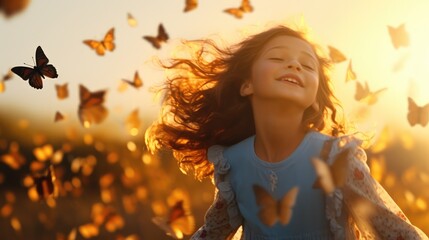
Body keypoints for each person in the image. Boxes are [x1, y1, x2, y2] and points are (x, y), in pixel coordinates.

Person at [145, 25, 428, 239]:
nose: (294, 65)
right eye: (278, 58)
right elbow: (213, 232)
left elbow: (395, 230)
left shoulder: (335, 158)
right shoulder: (233, 164)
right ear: (247, 85)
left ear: (315, 98)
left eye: (307, 65)